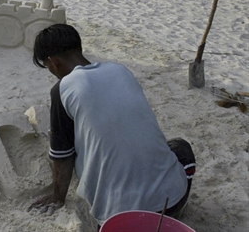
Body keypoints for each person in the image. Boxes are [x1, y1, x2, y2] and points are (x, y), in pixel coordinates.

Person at [28, 24, 196, 227]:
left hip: (117, 217)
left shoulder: (62, 90)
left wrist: (58, 196)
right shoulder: (120, 70)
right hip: (171, 202)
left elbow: (62, 156)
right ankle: (171, 209)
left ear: (53, 62)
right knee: (181, 148)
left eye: (47, 66)